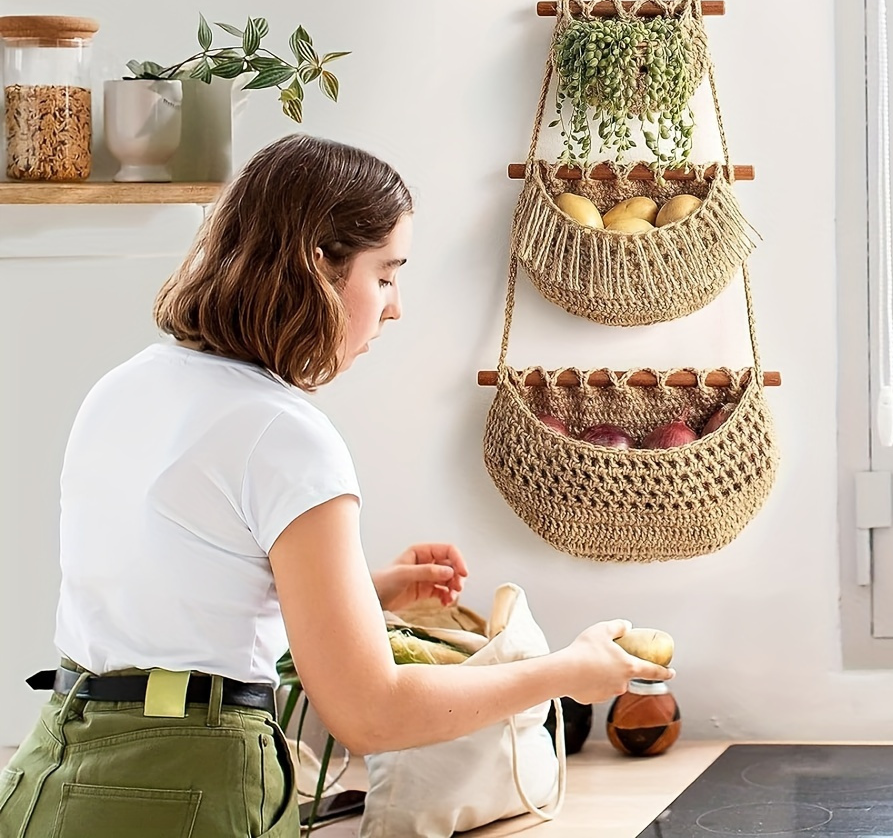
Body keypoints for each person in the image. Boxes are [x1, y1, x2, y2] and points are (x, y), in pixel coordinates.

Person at [0, 134, 673, 838]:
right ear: (317, 266)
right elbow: (370, 714)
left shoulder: (127, 385)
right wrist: (566, 672)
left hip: (52, 771)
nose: (395, 306)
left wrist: (365, 591)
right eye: (385, 273)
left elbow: (174, 608)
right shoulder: (286, 432)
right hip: (186, 784)